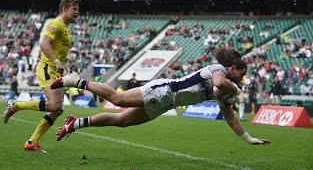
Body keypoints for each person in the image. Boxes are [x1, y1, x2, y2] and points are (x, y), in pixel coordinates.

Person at [52, 48, 271, 145]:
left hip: (166, 104)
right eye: (241, 75)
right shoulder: (218, 70)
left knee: (122, 121)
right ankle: (75, 80)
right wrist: (234, 89)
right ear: (232, 67)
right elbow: (220, 83)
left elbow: (231, 118)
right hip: (165, 90)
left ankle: (76, 123)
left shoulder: (225, 90)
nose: (241, 80)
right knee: (118, 100)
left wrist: (249, 139)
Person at [2, 0, 79, 152]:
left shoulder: (65, 27)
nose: (77, 12)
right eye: (74, 9)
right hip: (47, 68)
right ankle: (15, 105)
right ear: (65, 9)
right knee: (55, 105)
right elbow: (44, 44)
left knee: (57, 110)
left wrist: (62, 65)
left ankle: (31, 142)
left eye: (78, 9)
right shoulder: (55, 23)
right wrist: (56, 62)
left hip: (54, 72)